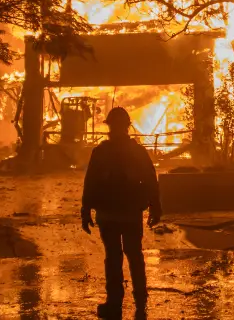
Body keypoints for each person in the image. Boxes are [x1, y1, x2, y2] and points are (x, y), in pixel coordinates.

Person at [81, 106, 162, 320]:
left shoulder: (101, 152)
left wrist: (85, 210)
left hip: (110, 213)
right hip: (128, 212)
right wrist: (155, 206)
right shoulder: (136, 151)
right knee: (133, 255)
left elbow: (90, 183)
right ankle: (139, 299)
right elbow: (151, 179)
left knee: (114, 257)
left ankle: (115, 302)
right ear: (127, 127)